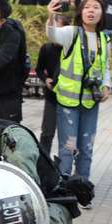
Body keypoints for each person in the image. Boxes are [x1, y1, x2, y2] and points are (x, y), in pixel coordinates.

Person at [46, 0, 111, 184]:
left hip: (91, 102)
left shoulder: (103, 39)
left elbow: (105, 66)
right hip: (68, 103)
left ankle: (83, 187)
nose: (91, 11)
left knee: (86, 147)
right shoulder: (71, 33)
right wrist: (51, 15)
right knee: (68, 148)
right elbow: (52, 35)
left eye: (96, 7)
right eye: (87, 7)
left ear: (102, 13)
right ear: (80, 12)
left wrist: (106, 86)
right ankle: (64, 187)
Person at [36, 14, 70, 155]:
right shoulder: (46, 48)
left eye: (59, 28)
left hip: (69, 98)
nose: (55, 32)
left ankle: (64, 166)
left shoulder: (71, 49)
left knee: (67, 136)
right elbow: (39, 69)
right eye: (52, 28)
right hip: (51, 96)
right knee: (47, 133)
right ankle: (44, 163)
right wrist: (46, 79)